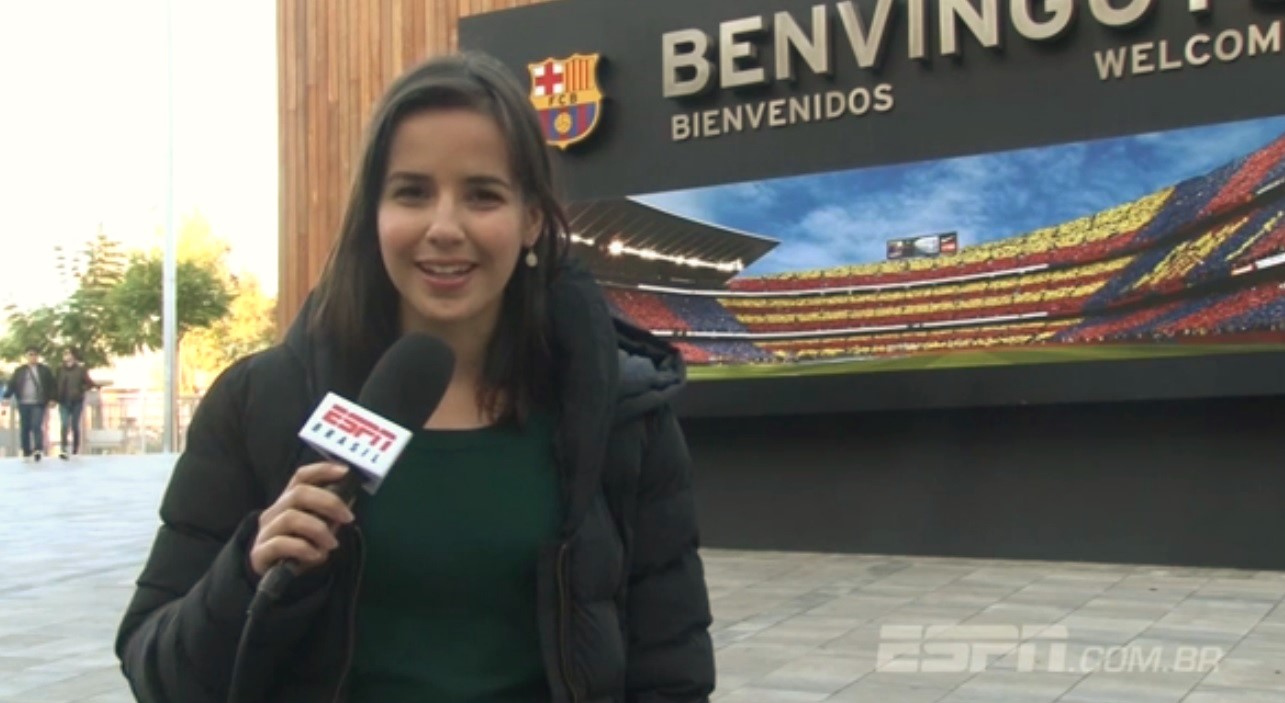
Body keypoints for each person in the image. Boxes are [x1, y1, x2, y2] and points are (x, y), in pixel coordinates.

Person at [115, 52, 715, 702]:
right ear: (373, 214)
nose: (444, 227)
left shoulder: (622, 415)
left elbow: (671, 674)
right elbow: (157, 671)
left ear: (532, 220)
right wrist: (247, 571)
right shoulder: (259, 402)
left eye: (482, 195)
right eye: (412, 192)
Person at [3, 346, 56, 462]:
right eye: (30, 355)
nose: (33, 357)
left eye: (35, 355)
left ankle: (38, 449)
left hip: (38, 402)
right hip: (23, 402)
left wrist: (52, 398)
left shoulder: (44, 370)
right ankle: (26, 450)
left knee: (36, 425)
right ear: (26, 356)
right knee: (25, 427)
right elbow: (12, 384)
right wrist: (6, 397)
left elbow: (51, 385)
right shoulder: (20, 371)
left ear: (38, 356)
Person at [54, 348, 98, 459]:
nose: (66, 355)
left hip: (76, 401)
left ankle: (75, 448)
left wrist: (82, 389)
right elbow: (55, 383)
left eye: (68, 353)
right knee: (64, 424)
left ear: (73, 355)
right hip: (63, 401)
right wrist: (54, 397)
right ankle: (63, 448)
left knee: (74, 425)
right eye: (64, 353)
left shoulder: (80, 369)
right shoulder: (60, 369)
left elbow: (89, 383)